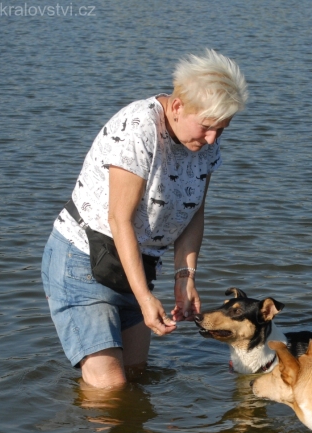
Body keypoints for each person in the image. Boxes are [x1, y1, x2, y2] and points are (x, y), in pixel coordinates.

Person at [41, 49, 248, 389]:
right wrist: (144, 297)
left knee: (136, 375)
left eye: (222, 129)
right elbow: (118, 219)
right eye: (208, 127)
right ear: (178, 107)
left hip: (138, 262)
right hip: (82, 259)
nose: (212, 140)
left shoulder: (205, 143)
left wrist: (185, 276)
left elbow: (194, 211)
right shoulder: (138, 130)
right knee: (110, 386)